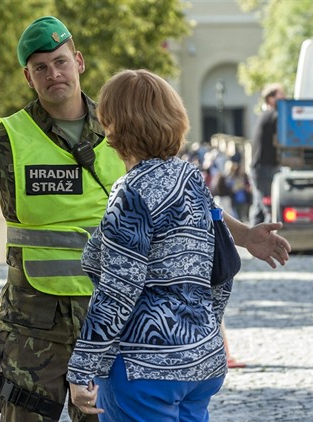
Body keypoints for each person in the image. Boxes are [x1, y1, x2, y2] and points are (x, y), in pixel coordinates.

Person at [0, 18, 289, 422]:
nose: (53, 74)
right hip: (34, 324)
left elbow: (182, 200)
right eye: (40, 68)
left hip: (115, 322)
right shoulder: (8, 139)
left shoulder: (124, 126)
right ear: (28, 76)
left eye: (60, 62)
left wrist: (245, 235)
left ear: (77, 61)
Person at [66, 69, 291, 422]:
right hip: (201, 364)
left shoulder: (131, 193)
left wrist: (81, 369)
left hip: (145, 368)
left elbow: (118, 290)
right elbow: (222, 268)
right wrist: (204, 327)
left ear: (113, 126)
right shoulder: (191, 179)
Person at [248, 82, 285, 225]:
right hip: (265, 169)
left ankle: (253, 238)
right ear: (271, 99)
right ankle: (268, 243)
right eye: (281, 95)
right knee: (269, 209)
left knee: (259, 208)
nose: (285, 98)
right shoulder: (273, 115)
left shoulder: (265, 115)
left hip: (260, 169)